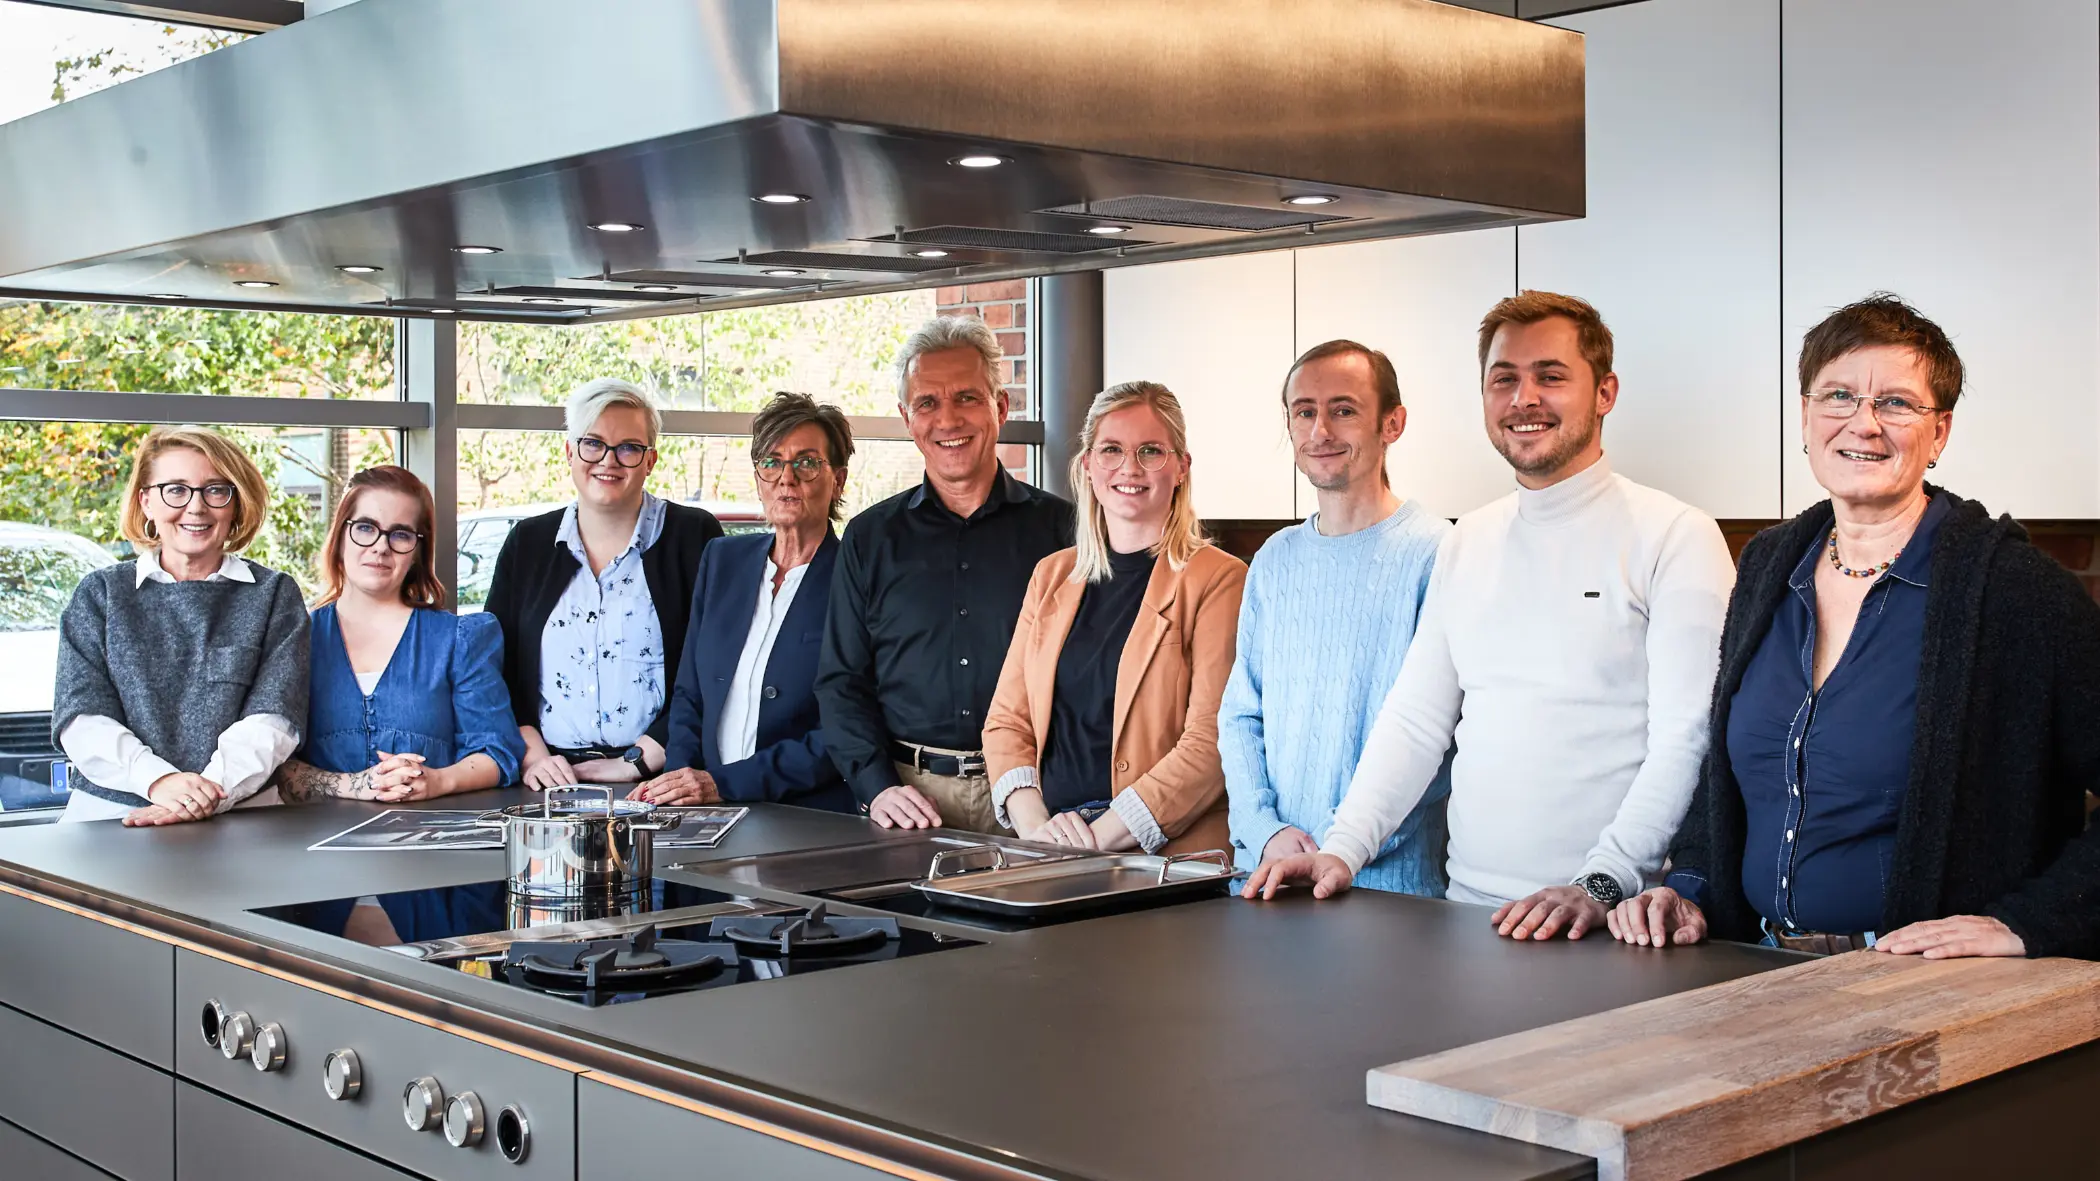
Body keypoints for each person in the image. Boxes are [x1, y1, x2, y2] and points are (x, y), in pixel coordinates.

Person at [1610, 295, 2100, 961]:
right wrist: (1689, 885)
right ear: (1806, 417)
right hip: (1757, 965)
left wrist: (2027, 923)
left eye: (1896, 402)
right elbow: (1730, 774)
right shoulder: (1767, 565)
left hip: (1927, 990)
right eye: (1838, 395)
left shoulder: (2017, 593)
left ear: (1942, 431)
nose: (1864, 423)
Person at [1244, 291, 1736, 944]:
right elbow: (1416, 719)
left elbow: (1688, 737)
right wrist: (1343, 848)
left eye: (1551, 376)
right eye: (1504, 379)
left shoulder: (1675, 536)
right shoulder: (1467, 540)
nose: (1524, 398)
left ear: (1605, 392)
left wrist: (1604, 880)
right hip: (1470, 918)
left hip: (1616, 925)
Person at [816, 316, 1074, 833]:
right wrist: (877, 787)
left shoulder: (1065, 529)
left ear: (1001, 407)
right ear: (907, 418)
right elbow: (842, 682)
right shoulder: (870, 538)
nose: (948, 420)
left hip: (1040, 796)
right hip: (909, 803)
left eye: (967, 398)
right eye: (927, 403)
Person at [1219, 341, 1453, 894]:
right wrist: (1265, 830)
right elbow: (1239, 716)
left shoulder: (1438, 552)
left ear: (1392, 423)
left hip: (1389, 888)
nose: (1320, 430)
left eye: (1343, 410)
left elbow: (1443, 739)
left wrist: (1341, 843)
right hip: (1268, 876)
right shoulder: (1274, 559)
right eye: (1305, 411)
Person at [983, 382, 1246, 853]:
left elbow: (1212, 743)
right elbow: (1007, 722)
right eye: (1111, 450)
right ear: (1087, 466)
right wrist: (1037, 831)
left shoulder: (1219, 580)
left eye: (1151, 451)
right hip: (1052, 845)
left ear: (1182, 467)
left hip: (1163, 859)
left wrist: (1094, 842)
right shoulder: (1051, 576)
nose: (1130, 467)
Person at [53, 425, 309, 826]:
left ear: (236, 504)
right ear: (146, 502)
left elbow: (273, 720)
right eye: (176, 489)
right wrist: (159, 781)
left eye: (215, 490)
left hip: (240, 819)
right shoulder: (100, 594)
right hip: (113, 819)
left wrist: (202, 795)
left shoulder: (274, 595)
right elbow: (82, 717)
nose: (196, 507)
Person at [485, 379, 723, 790]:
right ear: (569, 453)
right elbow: (493, 667)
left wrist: (644, 758)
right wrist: (532, 754)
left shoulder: (692, 536)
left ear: (650, 461)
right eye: (592, 443)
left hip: (661, 780)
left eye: (629, 447)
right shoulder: (528, 543)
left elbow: (716, 665)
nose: (608, 460)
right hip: (549, 781)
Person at [638, 393, 854, 812]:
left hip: (804, 815)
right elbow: (689, 693)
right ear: (758, 478)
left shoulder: (855, 579)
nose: (786, 479)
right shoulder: (723, 560)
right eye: (771, 463)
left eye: (807, 463)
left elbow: (844, 730)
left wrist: (721, 784)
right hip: (701, 813)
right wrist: (681, 785)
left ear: (838, 480)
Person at [273, 465, 524, 805]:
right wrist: (355, 785)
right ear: (340, 535)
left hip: (432, 839)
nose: (381, 547)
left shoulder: (459, 639)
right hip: (317, 848)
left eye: (401, 534)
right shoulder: (295, 639)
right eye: (365, 528)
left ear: (419, 551)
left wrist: (437, 781)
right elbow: (273, 765)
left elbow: (498, 753)